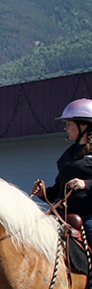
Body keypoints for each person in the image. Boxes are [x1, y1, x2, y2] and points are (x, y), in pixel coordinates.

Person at [33, 98, 92, 240]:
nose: (65, 128)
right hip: (62, 214)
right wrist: (44, 193)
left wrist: (86, 184)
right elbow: (60, 188)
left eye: (69, 124)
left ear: (83, 126)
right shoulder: (68, 154)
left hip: (88, 215)